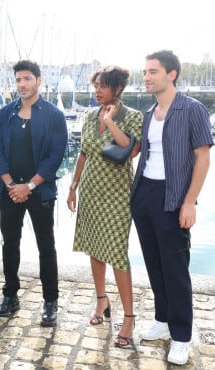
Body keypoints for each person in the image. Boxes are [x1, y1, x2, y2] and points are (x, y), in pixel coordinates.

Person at [130, 50, 213, 365]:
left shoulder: (192, 109)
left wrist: (189, 201)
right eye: (145, 72)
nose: (147, 77)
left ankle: (181, 335)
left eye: (153, 71)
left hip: (174, 196)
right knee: (154, 262)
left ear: (172, 74)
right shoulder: (150, 112)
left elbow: (203, 158)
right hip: (145, 194)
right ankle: (163, 321)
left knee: (176, 268)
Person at [67, 66, 143, 347]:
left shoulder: (132, 117)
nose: (97, 91)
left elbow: (131, 150)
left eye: (103, 86)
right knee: (95, 248)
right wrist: (73, 186)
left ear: (118, 89)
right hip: (91, 192)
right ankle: (101, 301)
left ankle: (129, 316)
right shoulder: (88, 115)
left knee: (117, 254)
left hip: (118, 195)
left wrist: (110, 122)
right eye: (95, 86)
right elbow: (84, 153)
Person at [0, 60, 68, 327]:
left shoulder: (54, 115)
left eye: (26, 79)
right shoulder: (4, 114)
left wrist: (30, 186)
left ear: (38, 80)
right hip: (11, 191)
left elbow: (55, 156)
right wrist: (11, 185)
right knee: (9, 245)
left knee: (46, 247)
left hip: (40, 191)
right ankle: (10, 295)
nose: (22, 84)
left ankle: (50, 301)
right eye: (18, 80)